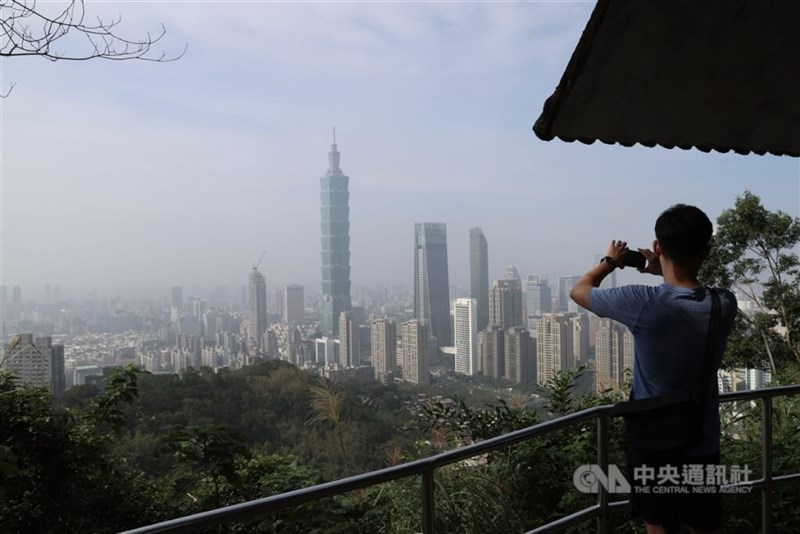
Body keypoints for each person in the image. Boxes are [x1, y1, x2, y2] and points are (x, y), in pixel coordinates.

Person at [569, 204, 738, 534]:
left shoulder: (642, 302)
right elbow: (686, 290)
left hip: (654, 443)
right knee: (704, 525)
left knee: (658, 526)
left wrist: (610, 262)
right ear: (706, 250)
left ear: (658, 247)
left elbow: (579, 290)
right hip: (702, 441)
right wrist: (662, 270)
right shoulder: (724, 303)